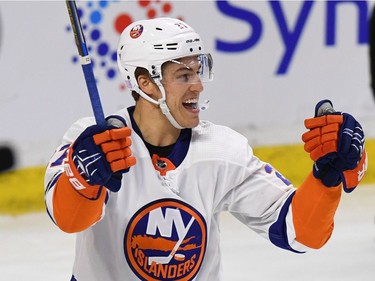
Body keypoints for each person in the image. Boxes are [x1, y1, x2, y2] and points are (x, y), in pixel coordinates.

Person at [44, 17, 368, 281]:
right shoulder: (92, 142)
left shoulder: (223, 148)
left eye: (197, 71)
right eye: (183, 75)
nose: (198, 85)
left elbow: (300, 232)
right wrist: (83, 178)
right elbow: (68, 220)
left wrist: (326, 178)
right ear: (145, 83)